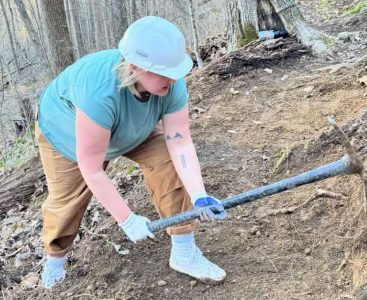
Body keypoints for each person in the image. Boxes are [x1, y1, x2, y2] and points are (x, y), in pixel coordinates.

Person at [36, 16, 227, 289]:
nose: (173, 80)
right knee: (67, 201)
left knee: (167, 162)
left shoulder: (170, 81)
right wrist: (126, 219)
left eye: (175, 72)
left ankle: (185, 252)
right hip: (67, 131)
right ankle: (55, 261)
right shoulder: (99, 93)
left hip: (133, 125)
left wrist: (199, 196)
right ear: (136, 67)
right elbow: (92, 168)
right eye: (164, 73)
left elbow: (180, 141)